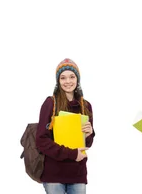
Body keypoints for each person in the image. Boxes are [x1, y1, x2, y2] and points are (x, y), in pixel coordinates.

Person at [35, 58, 94, 194]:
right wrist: (72, 154)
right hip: (54, 174)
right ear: (58, 81)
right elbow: (41, 141)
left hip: (78, 173)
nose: (68, 81)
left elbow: (87, 144)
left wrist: (89, 133)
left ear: (77, 79)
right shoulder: (50, 103)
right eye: (63, 78)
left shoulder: (86, 106)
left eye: (72, 77)